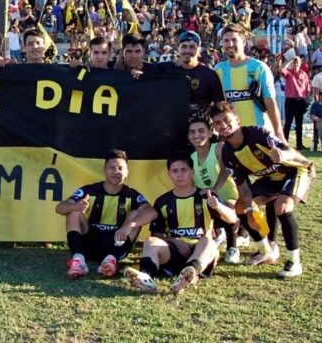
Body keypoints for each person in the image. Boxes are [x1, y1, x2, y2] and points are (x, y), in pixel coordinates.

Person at [211, 102, 313, 277]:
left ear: (237, 119)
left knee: (282, 207)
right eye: (218, 122)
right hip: (271, 178)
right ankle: (266, 250)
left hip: (295, 171)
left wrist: (284, 155)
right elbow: (243, 189)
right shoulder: (227, 154)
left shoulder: (257, 133)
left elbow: (288, 150)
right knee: (240, 208)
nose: (223, 125)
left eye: (226, 119)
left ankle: (294, 263)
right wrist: (250, 210)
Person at [123, 155, 238, 294]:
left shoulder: (206, 196)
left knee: (209, 242)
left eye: (184, 170)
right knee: (150, 241)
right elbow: (157, 235)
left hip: (200, 252)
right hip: (174, 252)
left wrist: (218, 206)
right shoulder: (163, 201)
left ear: (192, 172)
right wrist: (174, 241)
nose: (180, 175)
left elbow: (232, 219)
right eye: (175, 171)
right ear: (169, 175)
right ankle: (146, 278)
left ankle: (190, 274)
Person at [55, 149, 151, 279]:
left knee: (135, 214)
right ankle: (78, 260)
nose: (116, 172)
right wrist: (75, 206)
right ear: (104, 170)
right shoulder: (90, 190)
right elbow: (59, 208)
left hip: (116, 244)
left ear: (127, 172)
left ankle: (111, 261)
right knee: (73, 211)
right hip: (89, 243)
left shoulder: (131, 194)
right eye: (111, 168)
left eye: (120, 168)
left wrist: (129, 225)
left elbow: (151, 212)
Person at [214, 24, 285, 141]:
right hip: (232, 138)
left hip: (260, 134)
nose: (230, 44)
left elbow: (270, 103)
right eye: (226, 40)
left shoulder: (259, 68)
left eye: (234, 40)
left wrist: (279, 134)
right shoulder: (218, 70)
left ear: (243, 41)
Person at [188, 117, 241, 263]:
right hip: (209, 200)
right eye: (192, 132)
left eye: (201, 131)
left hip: (230, 196)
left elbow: (226, 169)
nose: (196, 135)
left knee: (225, 207)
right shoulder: (190, 159)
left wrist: (215, 188)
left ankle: (233, 247)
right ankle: (216, 234)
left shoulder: (218, 148)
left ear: (211, 133)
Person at [170, 31, 225, 119]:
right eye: (184, 46)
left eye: (192, 47)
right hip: (174, 127)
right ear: (178, 48)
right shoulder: (168, 70)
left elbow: (219, 104)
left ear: (199, 50)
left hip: (200, 129)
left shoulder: (209, 75)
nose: (187, 51)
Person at [280, 56, 311, 149]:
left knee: (299, 124)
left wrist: (307, 100)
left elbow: (307, 88)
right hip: (290, 101)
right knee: (288, 123)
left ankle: (299, 144)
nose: (296, 64)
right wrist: (289, 61)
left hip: (300, 101)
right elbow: (282, 70)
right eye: (294, 62)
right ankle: (284, 143)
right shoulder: (289, 73)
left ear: (300, 63)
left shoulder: (304, 74)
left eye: (297, 62)